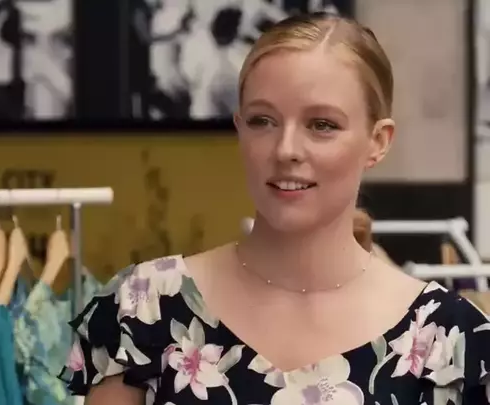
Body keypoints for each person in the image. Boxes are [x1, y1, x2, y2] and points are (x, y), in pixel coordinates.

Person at [58, 12, 490, 405]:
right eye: (262, 121)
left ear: (378, 141)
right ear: (239, 128)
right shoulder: (143, 307)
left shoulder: (446, 342)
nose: (286, 150)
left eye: (322, 125)